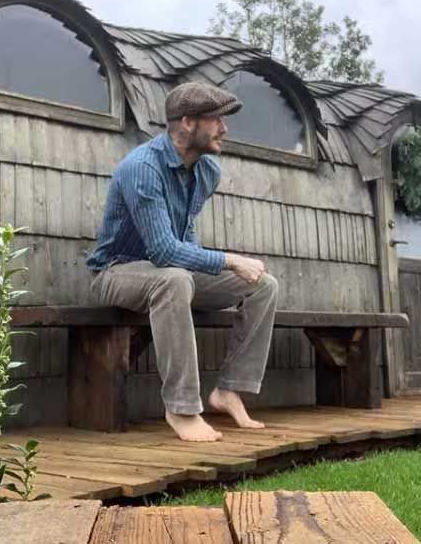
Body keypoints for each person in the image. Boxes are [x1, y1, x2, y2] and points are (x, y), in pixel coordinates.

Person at [86, 82, 278, 442]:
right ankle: (182, 408)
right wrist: (229, 259)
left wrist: (217, 267)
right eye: (217, 119)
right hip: (116, 271)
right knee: (174, 279)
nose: (225, 128)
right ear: (188, 122)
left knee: (263, 286)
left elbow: (184, 235)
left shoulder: (207, 171)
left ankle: (229, 390)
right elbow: (162, 251)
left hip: (169, 272)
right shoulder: (142, 168)